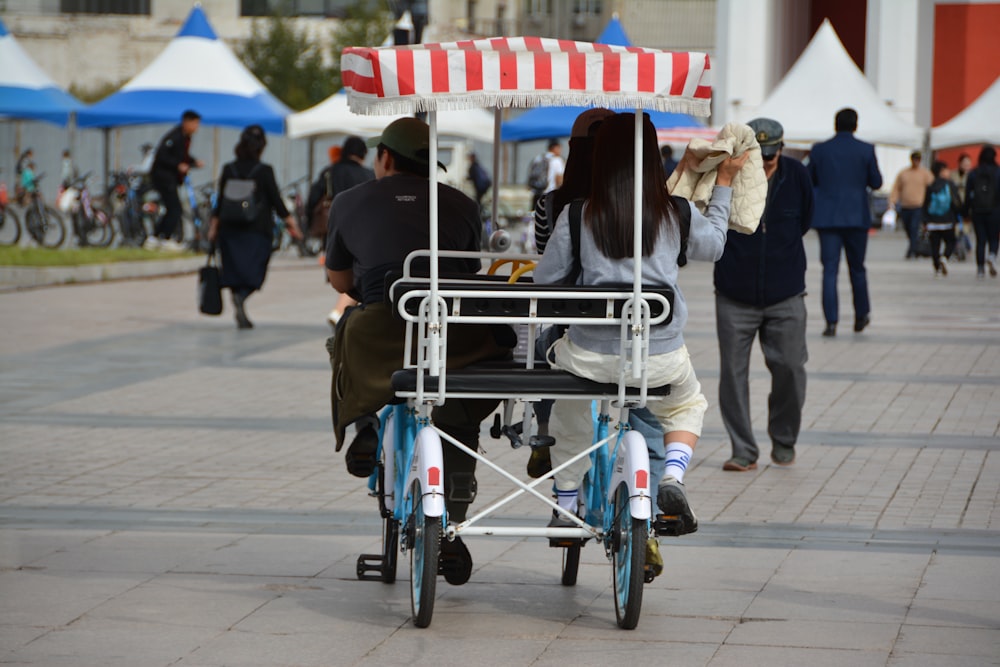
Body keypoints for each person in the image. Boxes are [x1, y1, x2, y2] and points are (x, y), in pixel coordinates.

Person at [533, 112, 747, 537]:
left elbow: (545, 281)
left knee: (569, 408)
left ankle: (567, 501)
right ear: (652, 156)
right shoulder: (677, 213)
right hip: (659, 357)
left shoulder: (578, 215)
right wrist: (723, 183)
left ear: (600, 159)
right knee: (687, 404)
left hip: (590, 358)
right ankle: (671, 476)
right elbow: (717, 246)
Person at [324, 117, 515, 586]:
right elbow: (470, 276)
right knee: (458, 414)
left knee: (347, 334)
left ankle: (365, 420)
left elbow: (341, 282)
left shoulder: (348, 202)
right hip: (452, 340)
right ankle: (450, 519)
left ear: (384, 157)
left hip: (381, 337)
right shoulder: (463, 205)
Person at [716, 118, 813, 472]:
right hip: (733, 291)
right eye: (759, 156)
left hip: (786, 292)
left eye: (771, 156)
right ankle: (743, 449)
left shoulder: (797, 176)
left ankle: (784, 438)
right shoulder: (728, 175)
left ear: (781, 149)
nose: (766, 162)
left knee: (790, 367)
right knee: (733, 374)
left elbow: (805, 221)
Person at [207, 125, 302, 329]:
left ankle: (237, 296)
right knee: (256, 270)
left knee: (233, 270)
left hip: (229, 230)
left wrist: (213, 228)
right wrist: (292, 225)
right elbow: (276, 201)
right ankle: (242, 296)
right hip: (257, 231)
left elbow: (220, 201)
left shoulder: (228, 169)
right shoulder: (264, 171)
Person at [808, 108, 883, 337]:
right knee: (857, 268)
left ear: (835, 124)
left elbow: (810, 178)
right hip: (856, 217)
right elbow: (877, 182)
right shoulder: (866, 149)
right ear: (855, 125)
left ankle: (831, 322)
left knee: (829, 270)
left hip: (828, 217)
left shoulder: (820, 150)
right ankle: (861, 315)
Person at [307, 136, 375, 325]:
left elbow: (313, 198)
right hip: (364, 231)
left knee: (340, 270)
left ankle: (342, 311)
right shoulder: (368, 175)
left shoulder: (329, 172)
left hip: (334, 230)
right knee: (359, 272)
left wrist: (308, 224)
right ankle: (342, 311)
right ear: (363, 154)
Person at [147, 110, 204, 251]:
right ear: (186, 122)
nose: (197, 126)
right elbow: (162, 155)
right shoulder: (175, 136)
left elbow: (181, 155)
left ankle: (155, 238)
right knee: (175, 209)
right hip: (163, 178)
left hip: (172, 178)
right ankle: (164, 238)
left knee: (172, 209)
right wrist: (178, 165)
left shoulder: (186, 138)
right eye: (195, 123)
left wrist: (193, 161)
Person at [964, 145, 1000, 279]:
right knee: (994, 238)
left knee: (980, 240)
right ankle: (991, 255)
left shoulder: (974, 173)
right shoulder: (998, 172)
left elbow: (968, 194)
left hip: (978, 210)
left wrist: (965, 212)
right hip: (995, 210)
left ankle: (980, 269)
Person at [889, 151, 934, 259]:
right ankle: (914, 246)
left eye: (918, 159)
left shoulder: (925, 173)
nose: (916, 161)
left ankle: (911, 251)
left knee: (914, 228)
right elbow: (896, 188)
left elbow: (933, 186)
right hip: (905, 206)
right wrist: (892, 201)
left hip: (918, 206)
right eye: (914, 159)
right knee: (908, 229)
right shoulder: (904, 173)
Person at [923, 160, 962, 277]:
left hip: (932, 221)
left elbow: (925, 204)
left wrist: (925, 220)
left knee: (935, 245)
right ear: (941, 172)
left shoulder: (931, 186)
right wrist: (958, 216)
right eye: (946, 170)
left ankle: (937, 268)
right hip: (947, 220)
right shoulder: (950, 185)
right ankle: (945, 257)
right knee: (951, 241)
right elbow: (956, 203)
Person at [528, 138, 564, 210]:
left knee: (534, 217)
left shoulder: (538, 158)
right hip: (549, 195)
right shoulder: (557, 160)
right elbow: (559, 180)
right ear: (555, 147)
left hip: (536, 194)